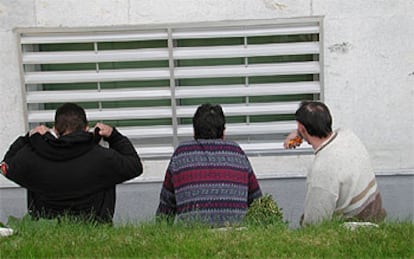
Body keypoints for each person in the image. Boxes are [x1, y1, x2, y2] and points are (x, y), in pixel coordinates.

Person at [0, 103, 143, 223]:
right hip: (95, 227)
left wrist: (28, 138)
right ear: (86, 128)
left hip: (46, 228)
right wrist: (114, 136)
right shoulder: (103, 158)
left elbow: (4, 166)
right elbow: (135, 166)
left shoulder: (32, 157)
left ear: (55, 129)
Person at [156, 103, 262, 226]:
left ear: (194, 132)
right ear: (223, 133)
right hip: (235, 238)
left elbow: (165, 211)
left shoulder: (181, 155)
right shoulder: (237, 153)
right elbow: (258, 204)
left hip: (191, 241)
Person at [284, 101, 386, 225]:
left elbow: (314, 224)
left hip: (357, 228)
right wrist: (300, 133)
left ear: (302, 128)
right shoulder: (348, 135)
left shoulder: (323, 168)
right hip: (376, 213)